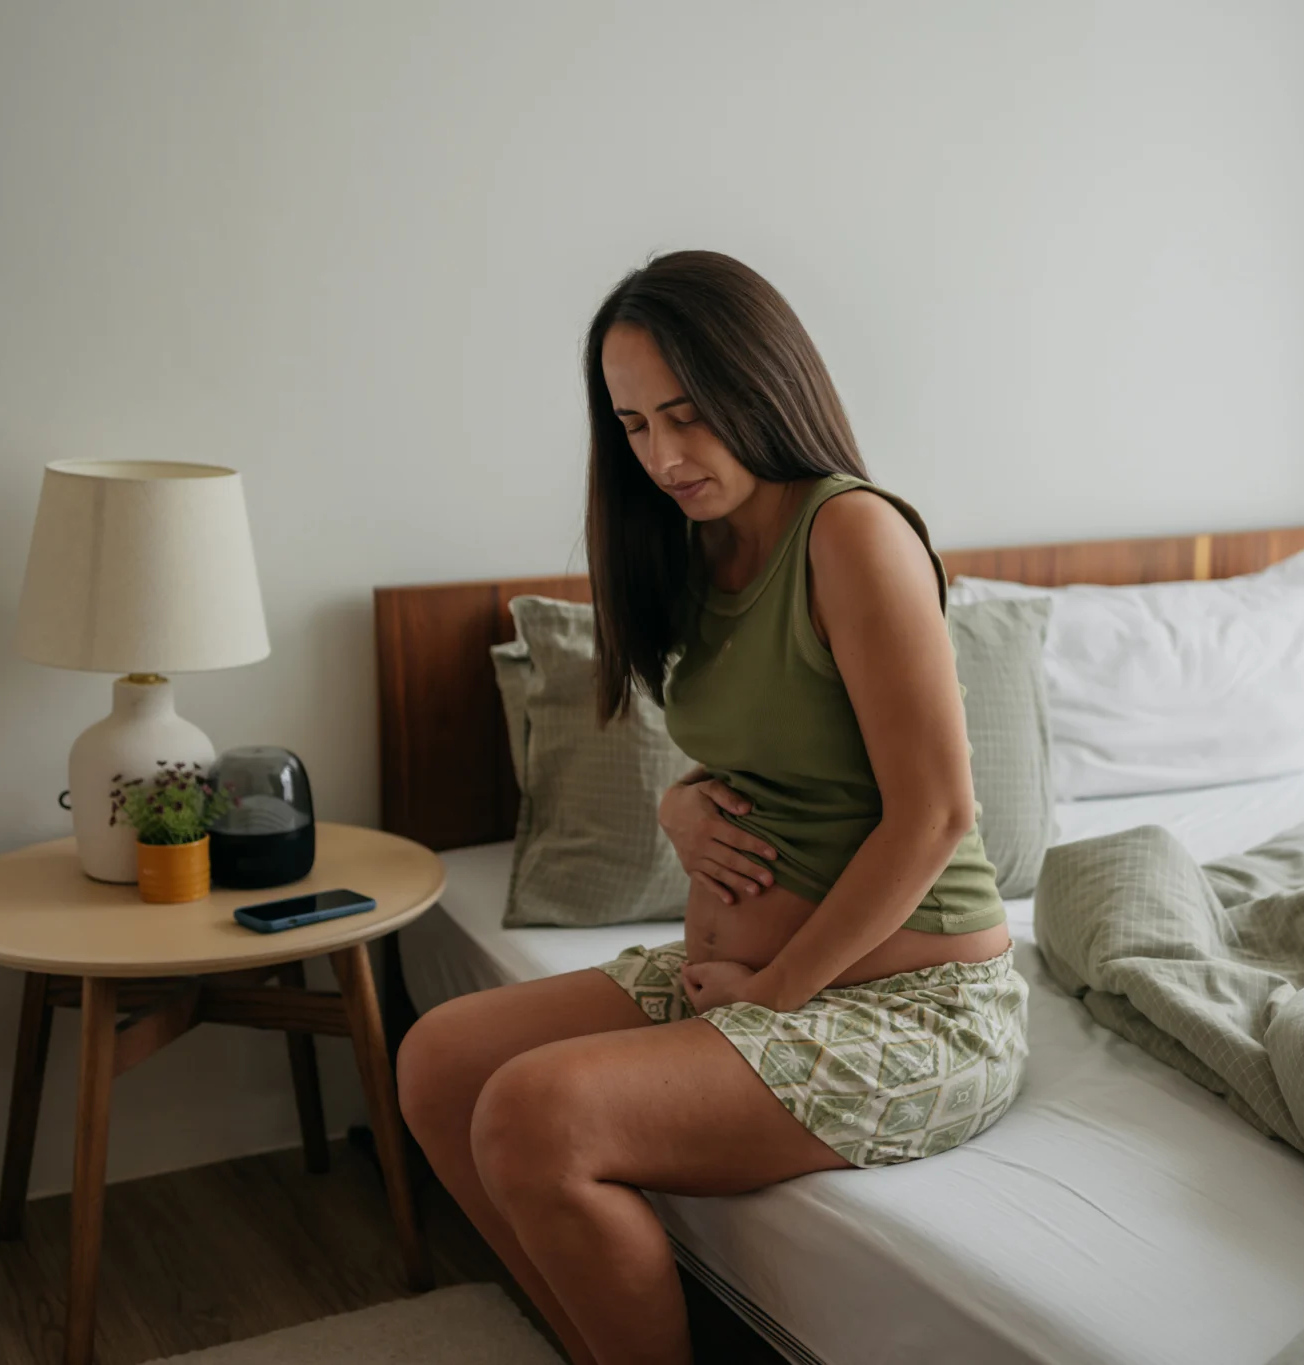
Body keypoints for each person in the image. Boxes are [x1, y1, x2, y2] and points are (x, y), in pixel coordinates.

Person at [397, 250, 1029, 1365]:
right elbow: (775, 744)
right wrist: (679, 805)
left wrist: (772, 992)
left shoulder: (852, 533)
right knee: (440, 1061)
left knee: (531, 1112)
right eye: (634, 425)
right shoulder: (691, 545)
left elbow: (934, 813)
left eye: (688, 416)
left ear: (763, 385)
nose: (663, 455)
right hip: (754, 986)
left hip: (914, 1005)